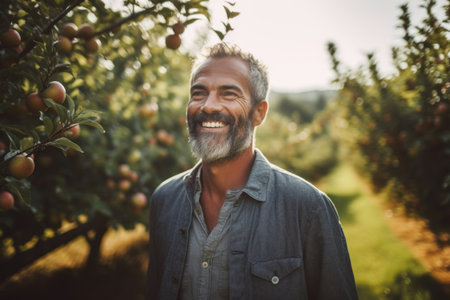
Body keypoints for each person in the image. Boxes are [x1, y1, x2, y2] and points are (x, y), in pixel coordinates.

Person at [147, 43, 358, 300]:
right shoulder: (165, 200)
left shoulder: (308, 208)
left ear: (259, 112)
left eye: (228, 94)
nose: (208, 106)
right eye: (199, 93)